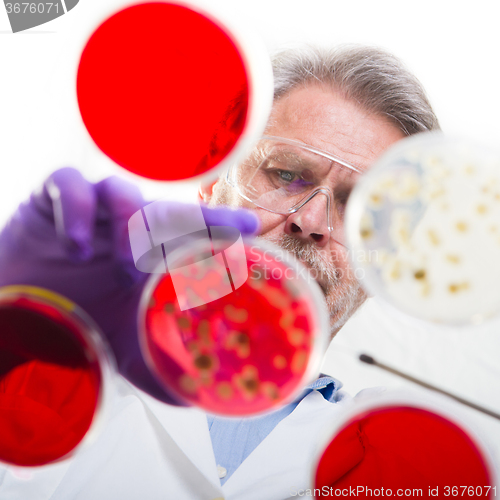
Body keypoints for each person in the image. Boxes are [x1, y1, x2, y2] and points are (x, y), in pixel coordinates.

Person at [0, 45, 439, 500]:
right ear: (213, 184)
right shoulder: (38, 362)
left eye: (360, 208)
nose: (310, 222)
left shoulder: (401, 472)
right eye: (287, 174)